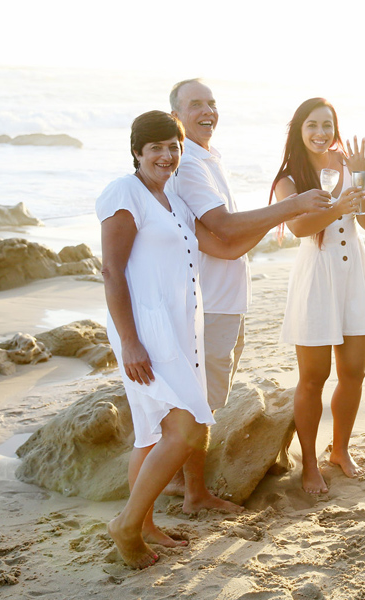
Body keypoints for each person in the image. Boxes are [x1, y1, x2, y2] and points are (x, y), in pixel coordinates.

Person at [99, 111, 268, 568]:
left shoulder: (173, 198)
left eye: (173, 147)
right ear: (137, 151)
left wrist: (282, 214)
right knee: (188, 426)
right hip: (146, 331)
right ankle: (127, 524)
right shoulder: (124, 192)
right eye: (155, 147)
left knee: (151, 432)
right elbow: (112, 270)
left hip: (178, 329)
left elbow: (227, 247)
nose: (166, 155)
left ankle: (145, 525)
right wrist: (130, 342)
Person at [168, 79, 330, 510]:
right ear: (175, 116)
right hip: (208, 302)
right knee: (201, 401)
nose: (208, 111)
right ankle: (194, 493)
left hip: (224, 298)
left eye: (211, 102)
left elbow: (230, 239)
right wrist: (292, 206)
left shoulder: (207, 158)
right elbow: (226, 228)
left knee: (207, 398)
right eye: (196, 104)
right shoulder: (188, 164)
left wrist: (273, 218)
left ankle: (183, 483)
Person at [272, 98, 365, 494]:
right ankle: (309, 464)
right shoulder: (288, 179)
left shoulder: (347, 165)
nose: (321, 133)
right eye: (312, 125)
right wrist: (338, 207)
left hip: (353, 274)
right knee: (313, 378)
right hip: (317, 277)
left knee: (353, 371)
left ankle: (340, 450)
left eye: (327, 125)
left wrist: (363, 178)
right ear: (299, 130)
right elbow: (300, 228)